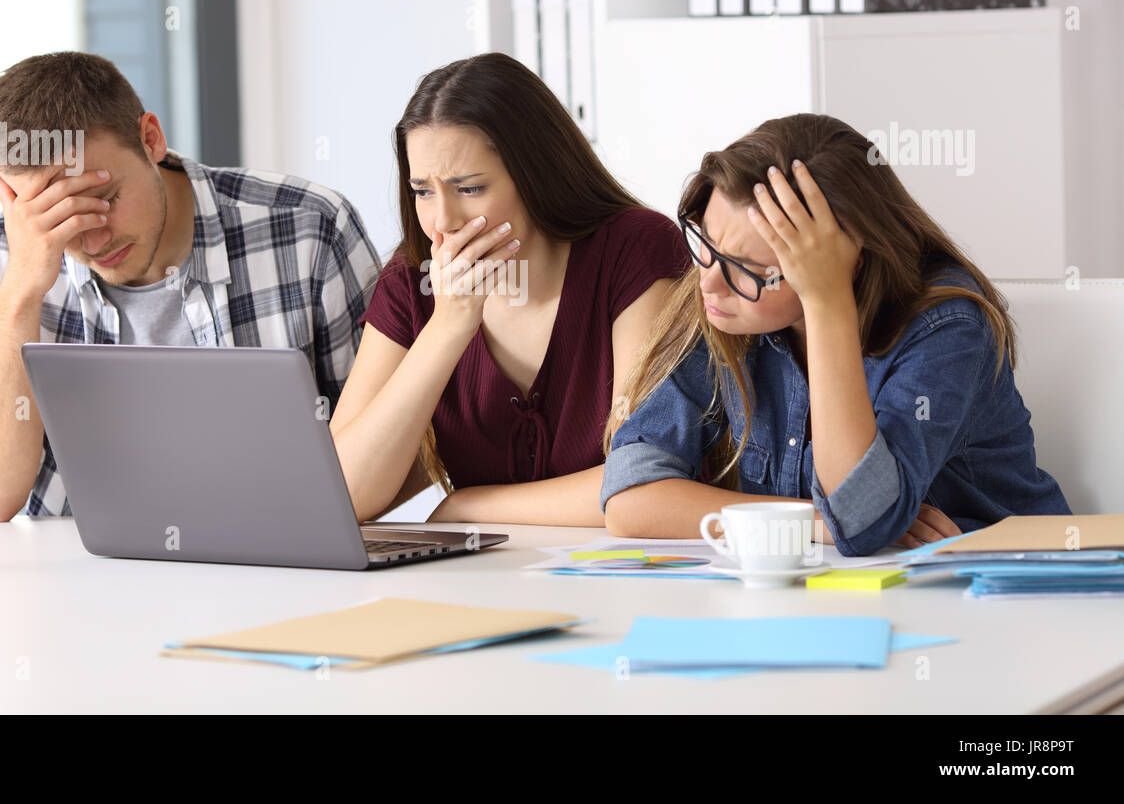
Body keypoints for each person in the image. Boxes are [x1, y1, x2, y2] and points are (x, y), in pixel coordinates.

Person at [600, 113, 1071, 556]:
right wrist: (812, 522)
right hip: (836, 594)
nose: (708, 281)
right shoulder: (726, 302)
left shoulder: (948, 329)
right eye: (707, 242)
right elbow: (628, 494)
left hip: (1001, 590)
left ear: (849, 263)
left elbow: (860, 519)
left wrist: (826, 302)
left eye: (746, 269)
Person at [0, 51, 380, 522]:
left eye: (104, 199)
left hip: (281, 572)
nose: (93, 240)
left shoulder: (309, 227)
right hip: (75, 583)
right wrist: (21, 293)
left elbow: (389, 445)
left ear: (150, 139)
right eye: (56, 220)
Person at [329, 53, 691, 526]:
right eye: (422, 191)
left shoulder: (634, 249)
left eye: (470, 188)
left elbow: (640, 480)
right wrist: (449, 325)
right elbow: (342, 496)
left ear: (535, 174)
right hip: (486, 586)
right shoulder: (409, 281)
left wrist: (468, 505)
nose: (443, 221)